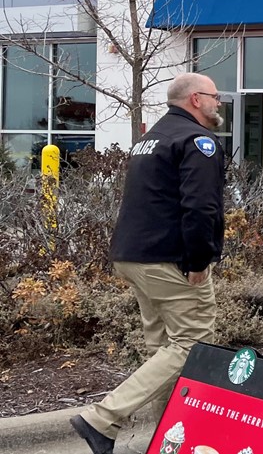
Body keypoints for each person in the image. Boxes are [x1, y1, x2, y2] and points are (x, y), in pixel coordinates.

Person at [71, 73, 226, 454]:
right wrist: (198, 260)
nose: (219, 102)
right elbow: (200, 207)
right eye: (214, 96)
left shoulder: (151, 139)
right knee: (192, 343)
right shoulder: (197, 141)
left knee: (164, 350)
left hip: (133, 256)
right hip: (169, 259)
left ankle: (171, 441)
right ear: (194, 99)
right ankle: (102, 419)